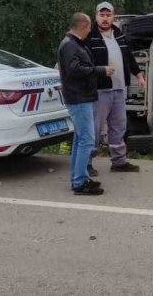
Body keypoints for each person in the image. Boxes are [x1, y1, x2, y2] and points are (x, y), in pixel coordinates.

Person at [86, 2, 145, 175]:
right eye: (102, 15)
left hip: (119, 88)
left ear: (113, 16)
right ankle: (87, 162)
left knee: (119, 126)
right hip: (100, 89)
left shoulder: (119, 34)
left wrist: (139, 75)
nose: (105, 19)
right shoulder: (90, 37)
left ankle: (118, 161)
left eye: (108, 15)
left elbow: (129, 57)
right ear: (96, 16)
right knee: (94, 128)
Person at [57, 12, 112, 195]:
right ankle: (80, 182)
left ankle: (78, 177)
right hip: (78, 98)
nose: (90, 30)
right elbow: (74, 70)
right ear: (82, 27)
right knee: (87, 140)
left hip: (81, 97)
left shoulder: (74, 44)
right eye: (89, 27)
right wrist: (100, 70)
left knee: (80, 140)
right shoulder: (70, 45)